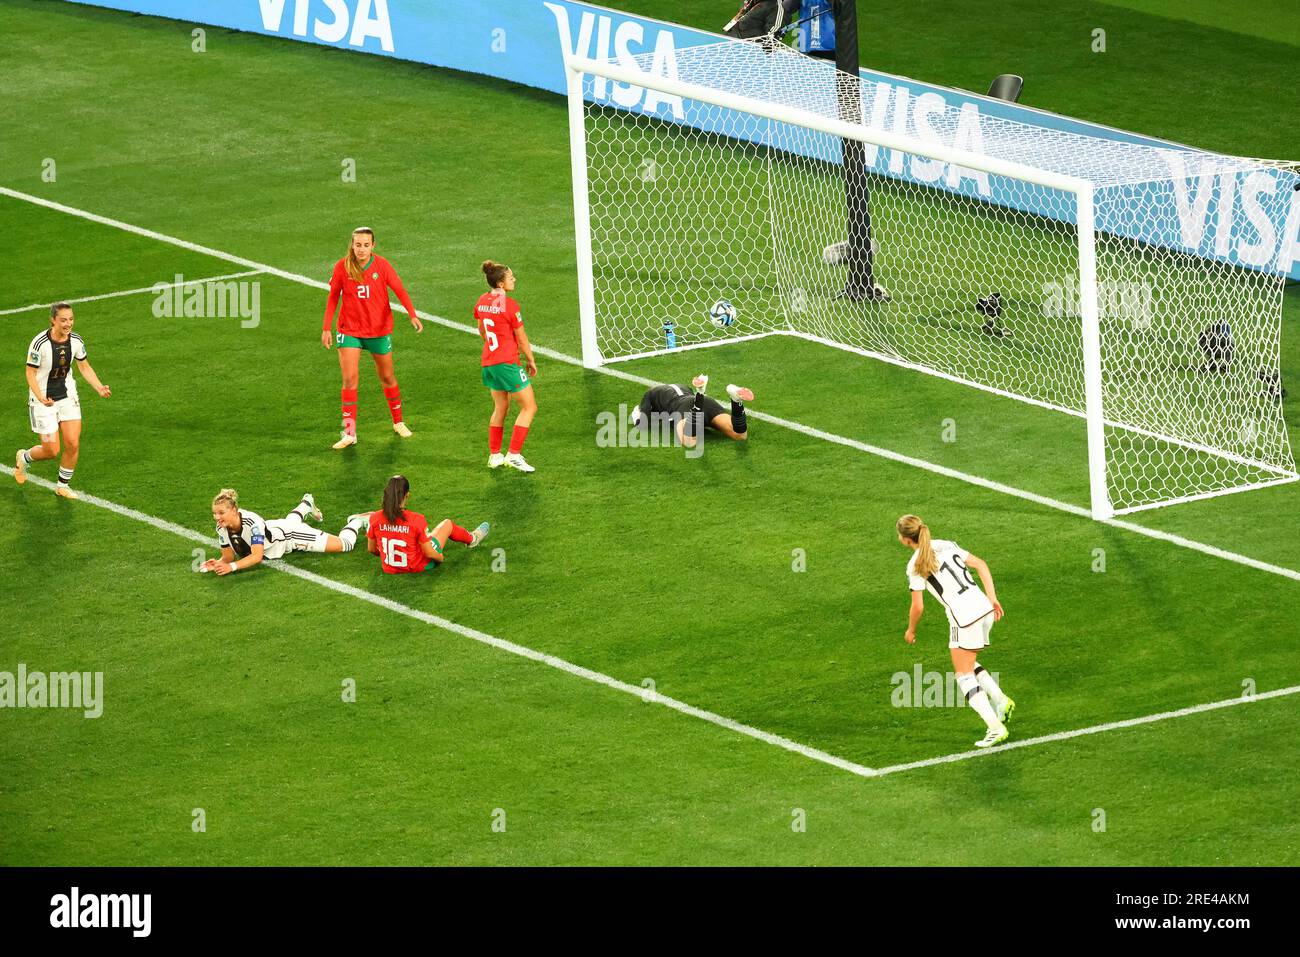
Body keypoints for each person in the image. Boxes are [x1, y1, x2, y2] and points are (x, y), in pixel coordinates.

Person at [896, 514, 1015, 748]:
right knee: (966, 663)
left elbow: (918, 606)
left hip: (965, 619)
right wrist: (993, 598)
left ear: (905, 540)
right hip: (984, 609)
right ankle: (1001, 701)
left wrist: (910, 630)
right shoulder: (945, 544)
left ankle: (995, 727)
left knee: (963, 675)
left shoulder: (914, 565)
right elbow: (980, 564)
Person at [321, 227, 423, 450]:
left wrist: (412, 314)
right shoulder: (342, 266)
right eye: (358, 244)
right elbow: (332, 298)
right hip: (350, 331)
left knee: (387, 376)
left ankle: (398, 422)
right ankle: (349, 433)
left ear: (373, 246)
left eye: (366, 245)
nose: (361, 249)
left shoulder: (382, 266)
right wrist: (326, 327)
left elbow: (399, 289)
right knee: (349, 378)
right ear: (352, 245)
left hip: (378, 330)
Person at [14, 302, 111, 500]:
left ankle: (62, 485)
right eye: (64, 320)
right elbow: (30, 373)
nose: (68, 324)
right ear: (53, 320)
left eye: (71, 319)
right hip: (43, 400)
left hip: (67, 396)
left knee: (73, 443)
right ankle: (24, 457)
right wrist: (40, 397)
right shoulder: (39, 343)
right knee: (51, 450)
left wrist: (99, 387)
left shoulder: (75, 341)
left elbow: (84, 367)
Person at [201, 489, 368, 576]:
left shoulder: (253, 523)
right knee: (289, 523)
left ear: (234, 510)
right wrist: (218, 562)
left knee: (344, 545)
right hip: (276, 530)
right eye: (214, 513)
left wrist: (231, 567)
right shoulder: (221, 528)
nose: (217, 517)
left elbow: (256, 556)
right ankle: (306, 504)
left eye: (221, 513)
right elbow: (229, 556)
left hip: (290, 537)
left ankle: (357, 520)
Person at [475, 260, 539, 473]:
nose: (514, 280)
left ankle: (495, 455)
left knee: (501, 407)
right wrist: (530, 359)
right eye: (511, 278)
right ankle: (513, 454)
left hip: (489, 362)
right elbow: (521, 339)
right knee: (529, 407)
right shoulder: (510, 306)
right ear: (501, 284)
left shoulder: (482, 301)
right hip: (506, 362)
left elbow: (482, 331)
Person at [366, 475, 488, 573]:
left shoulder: (375, 517)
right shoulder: (416, 519)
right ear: (407, 495)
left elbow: (371, 549)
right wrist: (440, 557)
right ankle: (473, 539)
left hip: (389, 568)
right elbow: (429, 553)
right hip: (419, 566)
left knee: (420, 538)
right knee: (447, 524)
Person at [630, 374, 754, 449]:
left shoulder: (650, 394)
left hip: (684, 407)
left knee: (689, 442)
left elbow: (642, 424)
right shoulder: (682, 386)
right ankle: (736, 401)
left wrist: (636, 414)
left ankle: (700, 393)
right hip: (706, 402)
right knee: (740, 435)